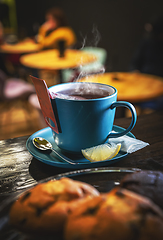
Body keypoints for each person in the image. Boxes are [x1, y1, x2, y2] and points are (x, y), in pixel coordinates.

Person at [129, 15, 163, 110]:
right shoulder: (147, 42)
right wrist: (135, 72)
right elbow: (134, 62)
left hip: (159, 88)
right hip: (142, 83)